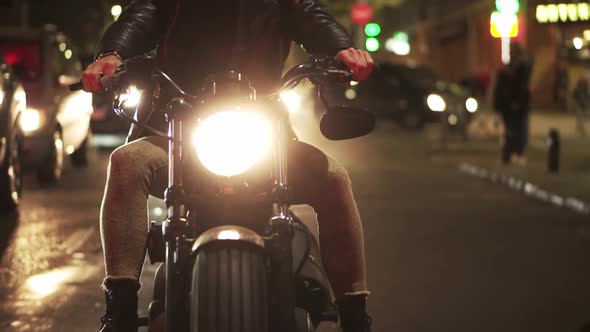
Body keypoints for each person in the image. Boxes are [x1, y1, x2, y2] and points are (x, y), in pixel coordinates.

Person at [82, 1, 375, 331]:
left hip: (265, 128)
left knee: (333, 177)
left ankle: (354, 313)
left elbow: (309, 14)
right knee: (126, 161)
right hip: (179, 129)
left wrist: (342, 49)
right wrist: (112, 54)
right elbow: (142, 14)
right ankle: (120, 307)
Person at [493, 42, 533, 165]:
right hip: (507, 104)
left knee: (518, 129)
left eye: (512, 50)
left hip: (516, 104)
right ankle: (509, 153)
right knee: (510, 129)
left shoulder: (521, 66)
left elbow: (521, 86)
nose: (510, 52)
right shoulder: (510, 67)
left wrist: (516, 101)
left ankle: (517, 152)